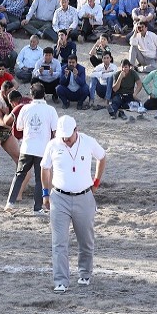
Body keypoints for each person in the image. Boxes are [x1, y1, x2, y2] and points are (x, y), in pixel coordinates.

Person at [40, 115, 106, 293]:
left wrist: (96, 182)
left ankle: (85, 273)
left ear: (76, 130)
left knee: (86, 240)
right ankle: (60, 280)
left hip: (84, 196)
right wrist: (45, 194)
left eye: (68, 136)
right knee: (59, 242)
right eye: (63, 137)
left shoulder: (88, 142)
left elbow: (102, 156)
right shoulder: (53, 145)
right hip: (59, 197)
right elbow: (45, 168)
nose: (66, 140)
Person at [6, 84, 58, 214]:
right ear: (44, 94)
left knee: (19, 175)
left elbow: (18, 127)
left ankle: (10, 203)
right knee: (40, 179)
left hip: (27, 147)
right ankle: (37, 208)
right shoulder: (51, 110)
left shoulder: (25, 108)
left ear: (31, 94)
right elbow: (55, 131)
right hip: (43, 149)